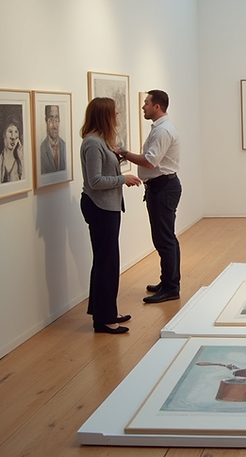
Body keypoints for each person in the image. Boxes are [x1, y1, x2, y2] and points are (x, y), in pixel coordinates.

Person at [79, 97, 141, 334]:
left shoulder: (101, 142)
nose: (117, 116)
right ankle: (104, 319)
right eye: (115, 113)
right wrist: (122, 179)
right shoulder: (93, 143)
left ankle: (106, 311)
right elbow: (94, 181)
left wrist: (117, 157)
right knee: (106, 263)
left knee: (107, 262)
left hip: (107, 207)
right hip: (100, 207)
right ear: (104, 115)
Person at [119, 89, 183, 304]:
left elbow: (150, 162)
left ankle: (171, 287)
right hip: (162, 186)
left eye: (146, 103)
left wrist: (123, 153)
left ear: (157, 106)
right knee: (166, 238)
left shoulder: (163, 131)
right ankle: (168, 281)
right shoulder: (161, 128)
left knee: (164, 239)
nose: (143, 106)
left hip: (163, 187)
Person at [39, 105, 67, 174]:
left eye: (57, 119)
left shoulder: (65, 146)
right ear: (46, 121)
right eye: (50, 120)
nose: (54, 125)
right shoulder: (41, 150)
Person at [0, 116, 24, 183]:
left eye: (16, 132)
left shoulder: (19, 159)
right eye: (10, 131)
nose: (13, 137)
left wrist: (21, 159)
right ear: (4, 134)